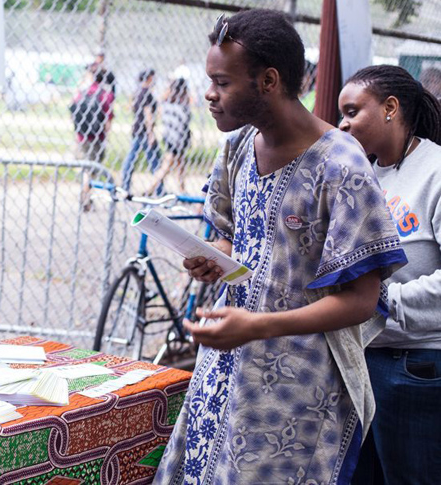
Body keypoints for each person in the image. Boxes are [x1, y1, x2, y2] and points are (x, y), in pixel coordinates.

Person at [153, 10, 407, 485]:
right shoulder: (237, 147)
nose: (209, 94)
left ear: (268, 81)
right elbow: (234, 233)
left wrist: (259, 326)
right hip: (225, 368)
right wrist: (214, 256)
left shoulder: (341, 167)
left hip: (294, 394)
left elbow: (361, 299)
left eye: (222, 82)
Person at [338, 65, 441, 484]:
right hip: (363, 358)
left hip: (415, 365)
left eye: (351, 111)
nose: (341, 124)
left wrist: (377, 303)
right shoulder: (364, 176)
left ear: (390, 108)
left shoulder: (435, 170)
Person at [70, 67, 114, 211]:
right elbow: (108, 119)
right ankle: (86, 198)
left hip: (81, 136)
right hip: (97, 137)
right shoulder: (105, 95)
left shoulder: (81, 92)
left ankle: (86, 197)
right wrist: (106, 137)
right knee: (91, 170)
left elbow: (73, 111)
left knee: (85, 168)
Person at [147, 76, 191, 194]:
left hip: (170, 138)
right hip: (177, 140)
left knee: (180, 166)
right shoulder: (182, 106)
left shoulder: (166, 103)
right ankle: (150, 189)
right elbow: (184, 122)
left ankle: (182, 190)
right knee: (166, 167)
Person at [121, 68, 162, 194]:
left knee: (133, 158)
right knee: (154, 160)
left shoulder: (137, 91)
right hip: (144, 131)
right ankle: (159, 190)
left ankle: (125, 186)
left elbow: (131, 107)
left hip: (137, 129)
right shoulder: (146, 93)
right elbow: (147, 114)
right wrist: (150, 134)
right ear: (149, 78)